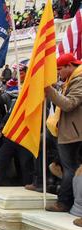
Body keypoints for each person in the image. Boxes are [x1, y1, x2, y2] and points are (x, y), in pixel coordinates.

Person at [44, 53, 82, 212]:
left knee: (70, 169)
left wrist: (49, 90)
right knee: (70, 169)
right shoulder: (71, 80)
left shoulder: (79, 81)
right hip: (70, 132)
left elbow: (69, 104)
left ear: (69, 66)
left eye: (60, 69)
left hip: (74, 134)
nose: (58, 73)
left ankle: (65, 202)